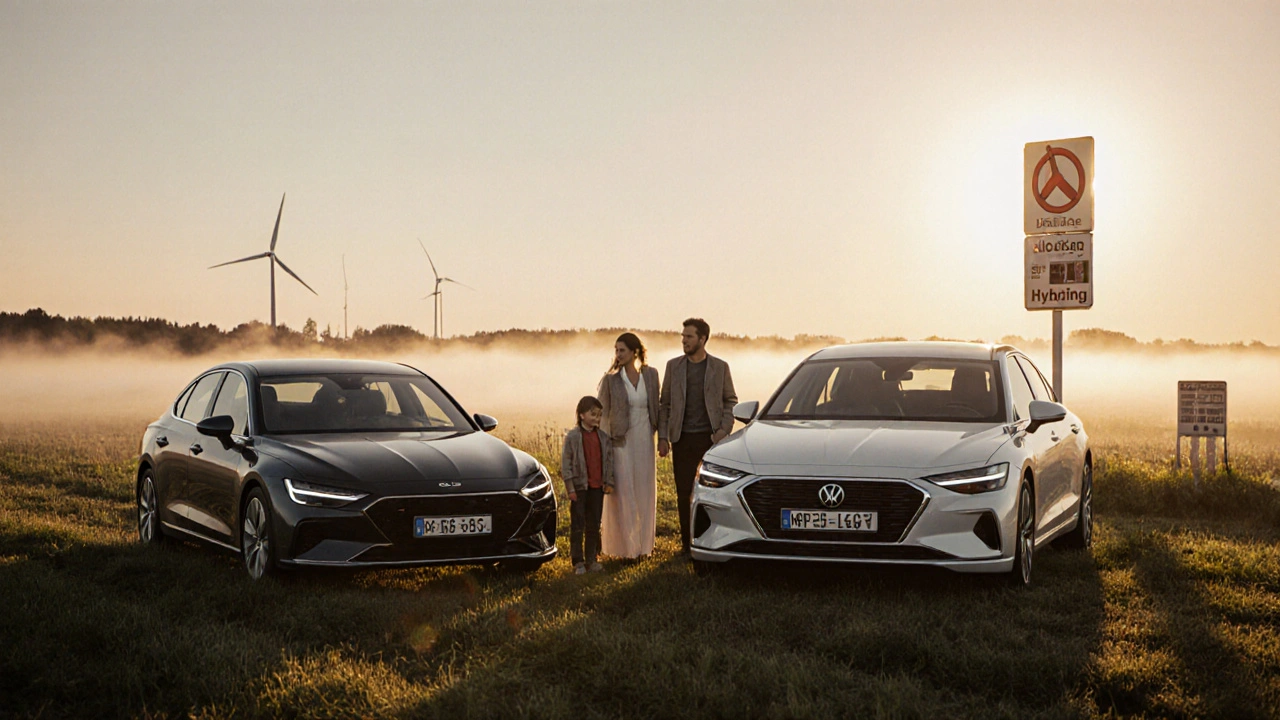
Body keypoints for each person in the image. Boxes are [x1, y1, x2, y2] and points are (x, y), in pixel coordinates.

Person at [658, 318, 737, 555]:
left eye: (689, 336)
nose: (684, 340)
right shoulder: (673, 366)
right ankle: (686, 545)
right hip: (681, 439)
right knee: (683, 493)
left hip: (709, 440)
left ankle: (707, 540)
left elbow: (730, 401)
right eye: (683, 336)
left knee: (709, 492)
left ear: (702, 339)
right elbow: (665, 404)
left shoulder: (720, 367)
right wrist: (663, 437)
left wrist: (723, 432)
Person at [597, 332, 660, 559]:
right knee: (623, 492)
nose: (618, 354)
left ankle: (644, 547)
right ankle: (625, 549)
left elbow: (657, 408)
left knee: (644, 490)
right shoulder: (611, 380)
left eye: (622, 350)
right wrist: (604, 445)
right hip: (620, 442)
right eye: (616, 350)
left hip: (645, 439)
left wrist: (662, 437)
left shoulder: (651, 375)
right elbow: (602, 415)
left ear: (635, 351)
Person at [560, 396, 615, 574]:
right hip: (579, 487)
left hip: (597, 487)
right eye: (593, 414)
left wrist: (609, 482)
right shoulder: (573, 437)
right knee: (578, 524)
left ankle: (592, 559)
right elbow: (566, 463)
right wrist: (570, 488)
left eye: (599, 415)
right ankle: (578, 561)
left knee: (594, 524)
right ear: (582, 415)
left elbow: (608, 461)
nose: (597, 419)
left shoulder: (603, 438)